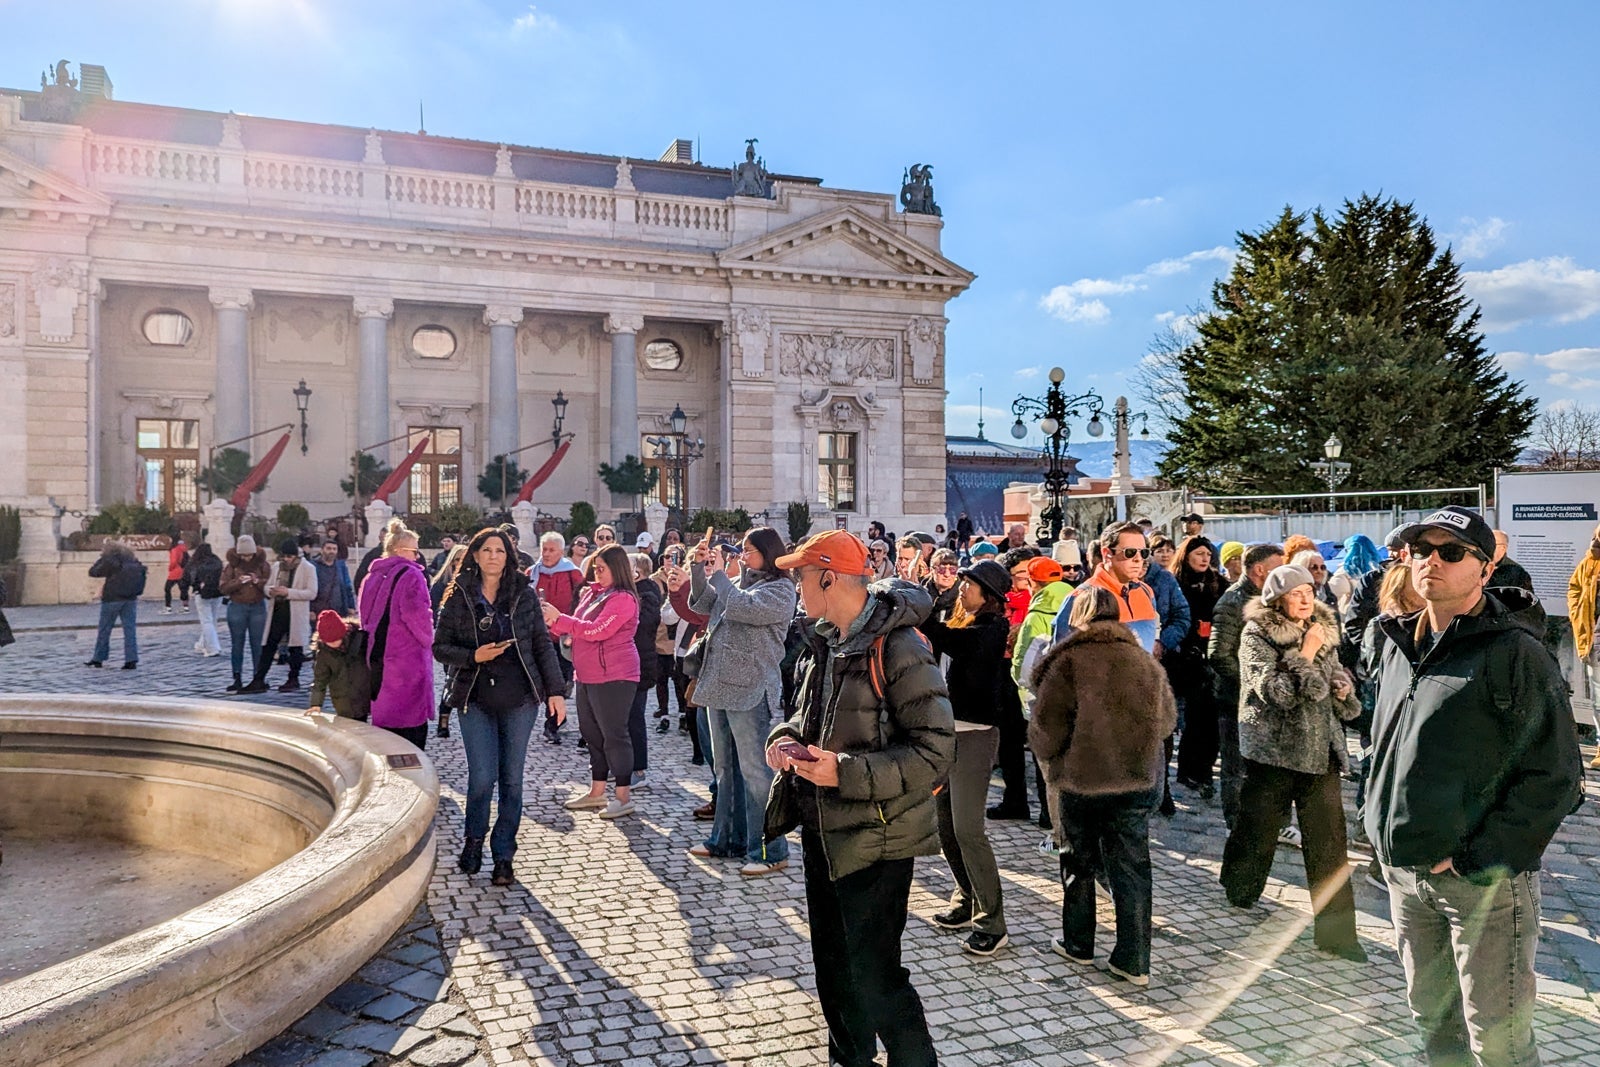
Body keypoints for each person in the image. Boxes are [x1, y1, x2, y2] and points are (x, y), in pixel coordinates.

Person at [1369, 507, 1583, 1066]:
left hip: (1480, 888)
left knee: (1499, 1041)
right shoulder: (1396, 642)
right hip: (1404, 875)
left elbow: (1557, 777)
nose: (1430, 561)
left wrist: (1479, 858)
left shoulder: (1516, 653)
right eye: (1420, 550)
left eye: (1451, 551)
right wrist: (1378, 827)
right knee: (1433, 1023)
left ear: (1485, 570)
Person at [766, 530, 953, 1066]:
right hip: (822, 831)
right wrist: (784, 740)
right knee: (834, 969)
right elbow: (808, 719)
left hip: (878, 837)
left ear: (829, 577)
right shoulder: (822, 641)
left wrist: (844, 773)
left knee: (875, 976)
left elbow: (936, 751)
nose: (796, 585)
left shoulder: (900, 646)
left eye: (802, 575)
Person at [1030, 585, 1176, 987]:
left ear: (1079, 616)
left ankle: (1078, 943)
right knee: (1132, 869)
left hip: (1082, 780)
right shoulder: (1144, 661)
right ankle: (1134, 960)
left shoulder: (1068, 660)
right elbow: (1166, 722)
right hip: (1134, 781)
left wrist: (1057, 757)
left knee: (1077, 860)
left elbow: (1046, 727)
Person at [1219, 564, 1365, 961]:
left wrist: (1341, 686)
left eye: (1309, 591)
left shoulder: (1321, 626)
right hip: (1275, 751)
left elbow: (1331, 677)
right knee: (1258, 827)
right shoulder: (1257, 633)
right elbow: (1276, 693)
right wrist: (1306, 653)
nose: (1306, 598)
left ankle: (1338, 936)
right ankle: (1240, 887)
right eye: (1296, 592)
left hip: (1320, 752)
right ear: (1276, 598)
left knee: (1330, 846)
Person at [435, 527, 566, 886]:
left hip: (519, 699)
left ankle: (504, 854)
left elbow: (541, 644)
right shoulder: (459, 595)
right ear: (475, 555)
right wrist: (473, 656)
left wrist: (556, 691)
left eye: (500, 550)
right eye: (487, 549)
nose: (494, 555)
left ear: (509, 557)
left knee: (512, 780)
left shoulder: (522, 595)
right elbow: (440, 647)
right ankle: (473, 839)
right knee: (482, 777)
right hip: (474, 697)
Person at [685, 526, 796, 875]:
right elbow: (701, 603)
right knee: (724, 769)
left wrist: (720, 574)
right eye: (743, 550)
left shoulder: (781, 589)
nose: (743, 556)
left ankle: (769, 849)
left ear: (769, 552)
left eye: (749, 550)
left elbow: (741, 607)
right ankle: (726, 840)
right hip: (719, 684)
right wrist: (698, 569)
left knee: (755, 772)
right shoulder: (740, 584)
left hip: (750, 688)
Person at [921, 558, 1013, 956]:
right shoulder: (962, 620)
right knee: (944, 824)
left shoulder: (993, 627)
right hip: (949, 733)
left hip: (976, 737)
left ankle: (992, 922)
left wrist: (922, 616)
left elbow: (958, 644)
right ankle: (966, 896)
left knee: (968, 829)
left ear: (988, 594)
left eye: (968, 584)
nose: (962, 589)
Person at [545, 543, 641, 819]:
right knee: (592, 735)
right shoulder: (592, 593)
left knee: (615, 735)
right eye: (595, 568)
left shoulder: (623, 598)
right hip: (587, 674)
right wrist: (559, 622)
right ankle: (597, 792)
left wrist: (560, 620)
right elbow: (577, 624)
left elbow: (599, 630)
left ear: (617, 569)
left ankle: (623, 796)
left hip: (615, 675)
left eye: (602, 569)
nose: (596, 573)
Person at [1208, 542, 1284, 828]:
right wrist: (1251, 684)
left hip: (1268, 699)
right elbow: (1218, 654)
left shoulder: (1271, 597)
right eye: (1278, 566)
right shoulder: (1232, 601)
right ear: (1260, 569)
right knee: (1236, 767)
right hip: (1236, 699)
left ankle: (1267, 821)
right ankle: (1237, 824)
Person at [359, 522, 435, 749]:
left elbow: (364, 613)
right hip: (407, 660)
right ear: (401, 551)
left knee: (385, 719)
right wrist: (430, 639)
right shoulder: (412, 575)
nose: (417, 556)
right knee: (411, 724)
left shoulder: (371, 576)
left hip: (377, 655)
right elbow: (418, 616)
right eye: (415, 551)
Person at [1170, 537, 1225, 798]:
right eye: (1199, 553)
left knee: (1210, 720)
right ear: (1187, 555)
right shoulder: (1176, 582)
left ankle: (1203, 769)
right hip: (1184, 657)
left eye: (1208, 554)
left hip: (1212, 655)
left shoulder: (1219, 583)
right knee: (1191, 718)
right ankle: (1188, 769)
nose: (1204, 558)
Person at [1052, 521, 1160, 652]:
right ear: (1107, 554)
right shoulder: (1081, 597)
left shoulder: (1146, 591)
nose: (1138, 559)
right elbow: (1062, 656)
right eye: (1130, 552)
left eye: (1143, 553)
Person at [241, 538, 318, 694]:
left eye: (290, 557)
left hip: (295, 612)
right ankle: (259, 679)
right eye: (285, 556)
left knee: (295, 647)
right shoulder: (277, 567)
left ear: (296, 556)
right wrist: (271, 591)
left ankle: (293, 678)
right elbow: (267, 586)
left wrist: (288, 592)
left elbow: (312, 592)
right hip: (278, 610)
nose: (287, 560)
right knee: (269, 646)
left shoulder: (308, 568)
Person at [625, 551, 663, 787]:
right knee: (620, 718)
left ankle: (638, 769)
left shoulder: (648, 593)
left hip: (641, 662)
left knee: (635, 717)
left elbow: (645, 624)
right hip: (628, 662)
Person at [220, 534, 271, 691]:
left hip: (258, 607)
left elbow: (271, 586)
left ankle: (259, 677)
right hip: (237, 607)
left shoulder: (263, 565)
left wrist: (257, 582)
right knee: (237, 644)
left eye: (250, 555)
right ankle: (237, 677)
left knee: (258, 645)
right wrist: (238, 582)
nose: (247, 558)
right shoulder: (231, 566)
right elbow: (223, 587)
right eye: (244, 555)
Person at [87, 542, 146, 669]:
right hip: (130, 599)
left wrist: (102, 559)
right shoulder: (133, 561)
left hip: (112, 599)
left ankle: (98, 658)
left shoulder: (111, 562)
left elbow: (93, 572)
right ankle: (131, 659)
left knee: (105, 629)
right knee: (130, 630)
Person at [1571, 522, 1600, 770]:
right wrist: (1578, 615)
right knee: (1599, 700)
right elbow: (1575, 589)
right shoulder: (1590, 563)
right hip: (1596, 642)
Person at [305, 610, 370, 720]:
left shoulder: (359, 640)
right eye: (329, 642)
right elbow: (320, 679)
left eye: (336, 640)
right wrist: (316, 703)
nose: (333, 644)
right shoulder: (324, 653)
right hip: (342, 698)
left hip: (363, 692)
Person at [186, 541, 225, 657]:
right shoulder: (217, 561)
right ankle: (201, 644)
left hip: (202, 593)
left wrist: (192, 588)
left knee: (206, 621)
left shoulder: (195, 563)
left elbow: (189, 577)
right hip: (217, 593)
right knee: (212, 620)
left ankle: (213, 648)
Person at [1327, 534, 1381, 616]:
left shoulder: (1346, 572)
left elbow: (1330, 594)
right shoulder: (1380, 569)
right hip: (1377, 616)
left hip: (1353, 618)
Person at [308, 538, 356, 620]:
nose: (332, 551)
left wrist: (351, 606)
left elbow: (347, 587)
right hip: (318, 612)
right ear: (322, 550)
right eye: (328, 548)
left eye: (334, 549)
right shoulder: (312, 566)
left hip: (339, 612)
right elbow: (308, 588)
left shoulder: (341, 566)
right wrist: (309, 610)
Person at [1490, 529, 1536, 594]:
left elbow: (1526, 600)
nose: (1487, 547)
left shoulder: (1518, 573)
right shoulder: (1479, 565)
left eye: (1492, 544)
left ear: (1503, 548)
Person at [163, 535, 191, 614]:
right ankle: (186, 607)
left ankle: (168, 608)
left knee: (167, 589)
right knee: (183, 589)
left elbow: (174, 561)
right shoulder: (184, 549)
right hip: (183, 572)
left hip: (175, 572)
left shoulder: (174, 549)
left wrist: (170, 568)